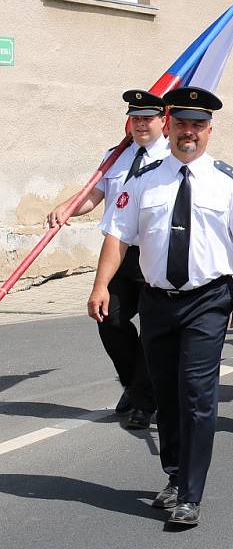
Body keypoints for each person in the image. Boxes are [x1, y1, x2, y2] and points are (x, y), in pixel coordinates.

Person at [91, 87, 233, 526]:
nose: (189, 133)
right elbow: (117, 236)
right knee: (167, 393)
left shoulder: (229, 181)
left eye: (198, 125)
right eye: (182, 124)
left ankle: (190, 493)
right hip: (157, 301)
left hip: (207, 301)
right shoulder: (143, 180)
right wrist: (101, 286)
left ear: (210, 130)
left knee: (195, 394)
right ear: (168, 127)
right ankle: (173, 475)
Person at [46, 90, 169, 430]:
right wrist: (67, 207)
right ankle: (134, 383)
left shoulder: (172, 158)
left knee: (154, 331)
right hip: (119, 254)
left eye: (148, 118)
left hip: (157, 255)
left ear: (163, 120)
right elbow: (96, 195)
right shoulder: (115, 155)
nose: (141, 124)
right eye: (136, 118)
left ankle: (145, 402)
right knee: (109, 317)